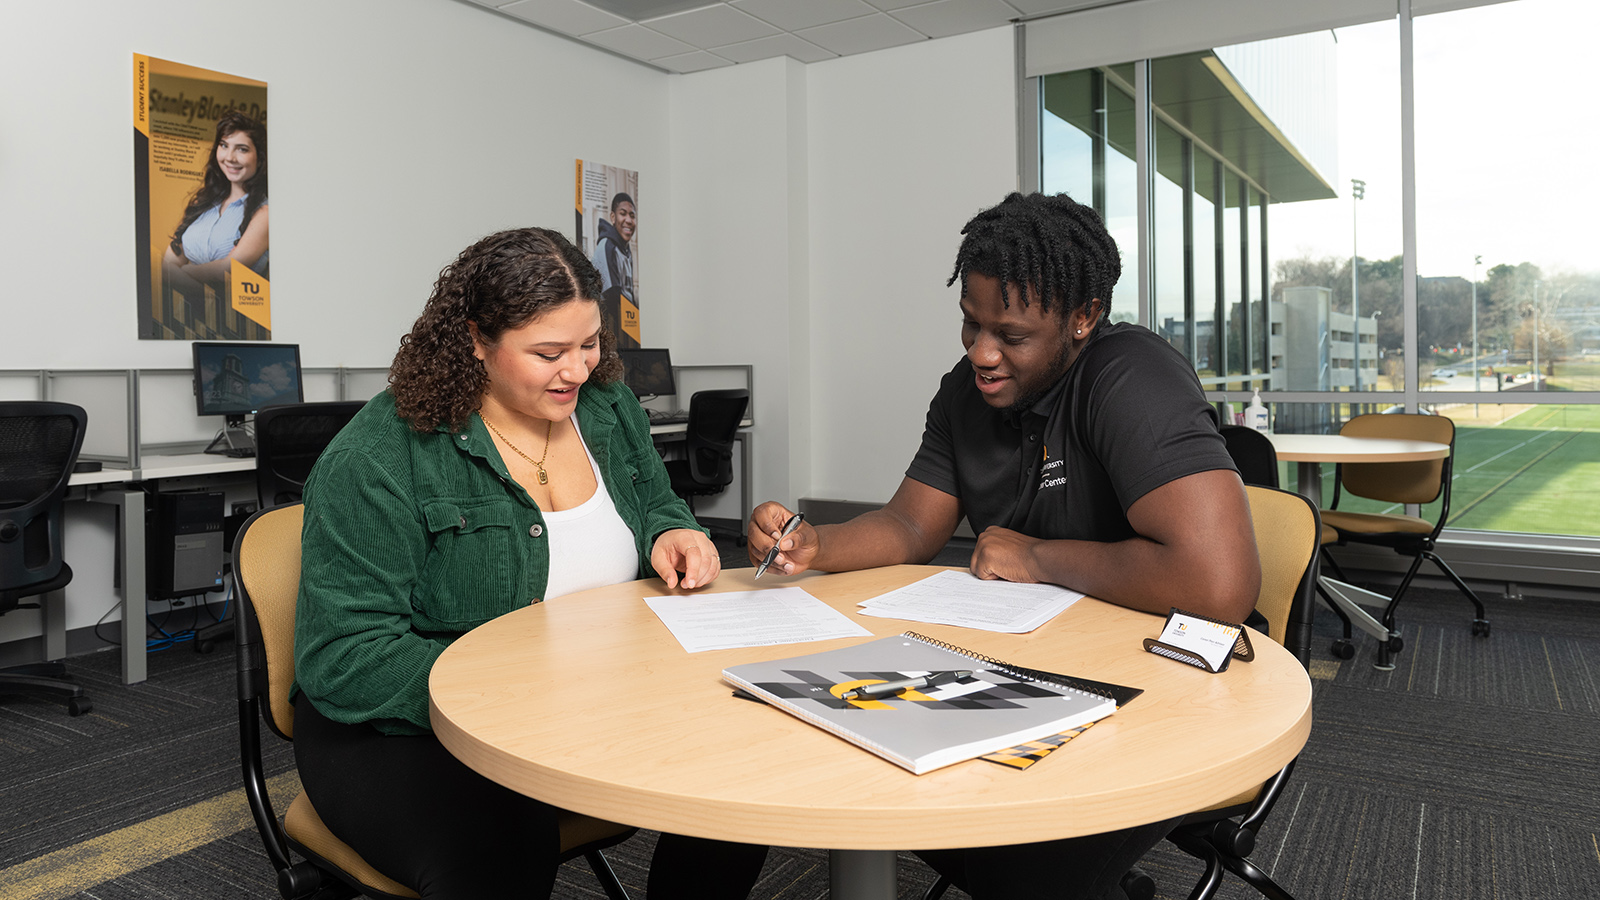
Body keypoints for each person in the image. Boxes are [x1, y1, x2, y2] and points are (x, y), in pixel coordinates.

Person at [746, 192, 1261, 900]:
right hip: (1041, 665)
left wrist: (1037, 557)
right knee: (885, 771)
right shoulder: (965, 393)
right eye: (970, 326)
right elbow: (908, 527)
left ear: (1082, 319)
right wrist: (814, 542)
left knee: (1016, 864)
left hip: (1176, 679)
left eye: (1011, 336)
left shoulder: (1130, 378)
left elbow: (1218, 583)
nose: (982, 354)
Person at [293, 227, 768, 899]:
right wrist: (526, 696)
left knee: (747, 766)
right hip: (396, 731)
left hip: (586, 700)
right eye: (549, 353)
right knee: (498, 846)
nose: (577, 370)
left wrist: (673, 533)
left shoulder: (607, 407)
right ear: (474, 341)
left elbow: (659, 502)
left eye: (590, 344)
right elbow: (345, 659)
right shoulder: (377, 458)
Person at [162, 111, 269, 294]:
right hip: (183, 316)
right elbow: (168, 263)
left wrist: (183, 273)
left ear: (259, 158)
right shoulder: (203, 202)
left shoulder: (265, 213)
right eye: (224, 145)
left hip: (231, 319)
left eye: (242, 149)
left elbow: (227, 271)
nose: (229, 157)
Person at [593, 191, 636, 341]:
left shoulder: (625, 249)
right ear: (613, 217)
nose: (628, 220)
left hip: (627, 327)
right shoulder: (607, 246)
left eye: (632, 215)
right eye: (623, 214)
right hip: (613, 331)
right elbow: (611, 294)